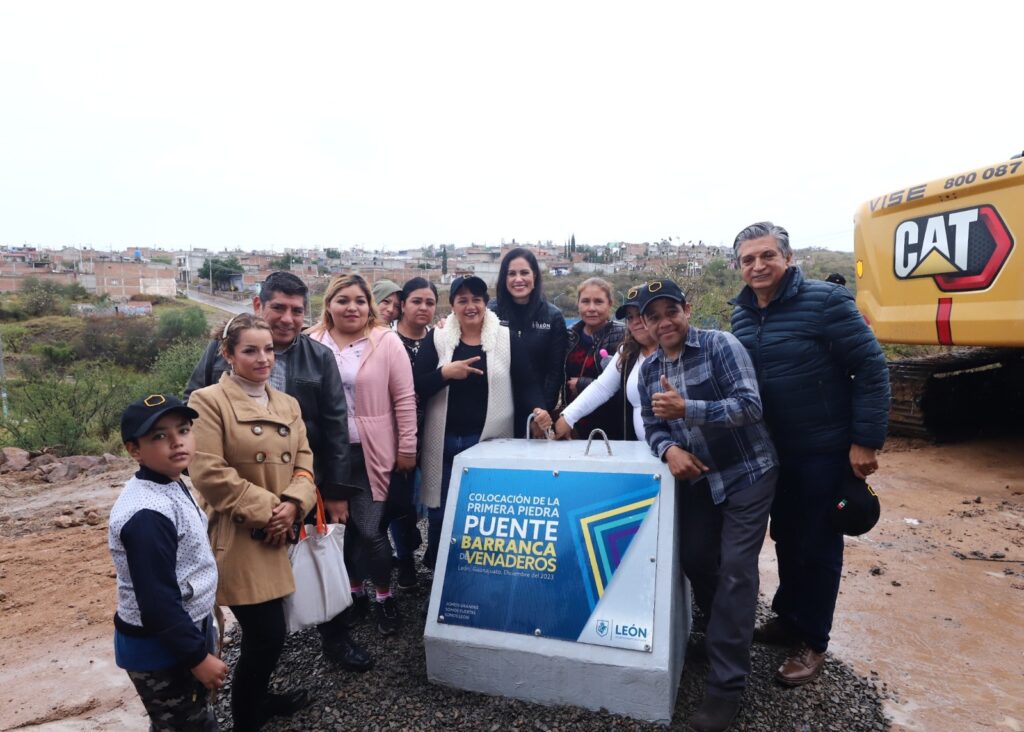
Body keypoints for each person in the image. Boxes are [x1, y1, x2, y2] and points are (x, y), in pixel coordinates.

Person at [184, 271, 370, 672]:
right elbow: (192, 408)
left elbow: (335, 427)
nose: (288, 318)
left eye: (297, 311)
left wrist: (336, 491)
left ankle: (336, 638)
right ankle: (268, 647)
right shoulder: (221, 351)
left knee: (321, 558)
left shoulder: (318, 356)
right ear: (259, 305)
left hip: (304, 482)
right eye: (278, 308)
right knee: (260, 574)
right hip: (247, 487)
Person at [730, 222, 890, 687]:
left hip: (824, 448)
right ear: (739, 266)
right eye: (748, 259)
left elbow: (871, 367)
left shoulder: (826, 302)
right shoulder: (741, 315)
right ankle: (789, 618)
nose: (758, 266)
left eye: (767, 255)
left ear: (788, 257)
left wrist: (865, 440)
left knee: (819, 544)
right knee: (786, 536)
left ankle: (813, 640)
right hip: (772, 451)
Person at [637, 279, 778, 732]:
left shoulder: (721, 346)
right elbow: (651, 425)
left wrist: (688, 410)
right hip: (700, 478)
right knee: (696, 558)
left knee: (736, 569)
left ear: (687, 309)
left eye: (670, 311)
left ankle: (726, 687)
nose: (664, 322)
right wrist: (668, 450)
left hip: (747, 472)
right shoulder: (648, 369)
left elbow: (750, 406)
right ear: (645, 324)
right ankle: (726, 634)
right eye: (653, 317)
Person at [188, 314, 318, 731]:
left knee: (270, 633)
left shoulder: (287, 404)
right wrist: (271, 511)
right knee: (267, 635)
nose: (263, 358)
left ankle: (260, 699)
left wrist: (295, 504)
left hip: (283, 528)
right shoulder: (208, 401)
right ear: (227, 354)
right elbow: (209, 472)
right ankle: (247, 718)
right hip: (241, 534)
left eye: (268, 350)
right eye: (250, 350)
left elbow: (305, 460)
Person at [307, 274, 417, 635]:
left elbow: (404, 398)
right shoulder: (312, 342)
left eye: (359, 300)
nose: (351, 307)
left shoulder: (385, 341)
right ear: (329, 305)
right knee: (341, 530)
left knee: (371, 530)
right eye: (343, 300)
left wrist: (407, 447)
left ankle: (384, 596)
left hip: (372, 452)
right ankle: (354, 593)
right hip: (327, 455)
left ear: (369, 305)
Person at [110, 394, 227, 731]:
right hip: (160, 649)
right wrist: (198, 658)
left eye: (184, 430)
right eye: (160, 436)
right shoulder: (147, 515)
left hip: (179, 634)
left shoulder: (167, 481)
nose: (177, 442)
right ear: (134, 450)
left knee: (175, 722)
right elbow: (157, 602)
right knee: (190, 725)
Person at [414, 275, 548, 570]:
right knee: (439, 514)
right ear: (452, 306)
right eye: (462, 300)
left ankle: (478, 574)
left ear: (486, 303)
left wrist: (539, 409)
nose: (470, 306)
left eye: (476, 299)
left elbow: (526, 383)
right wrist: (445, 373)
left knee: (483, 515)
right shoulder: (437, 338)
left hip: (488, 443)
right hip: (444, 443)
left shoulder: (506, 339)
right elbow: (418, 385)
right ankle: (438, 576)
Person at [549, 284, 657, 441]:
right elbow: (603, 387)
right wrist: (567, 417)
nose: (636, 322)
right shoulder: (628, 351)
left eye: (642, 314)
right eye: (630, 317)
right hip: (636, 447)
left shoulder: (674, 350)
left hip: (651, 443)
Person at [387, 276, 439, 589]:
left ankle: (433, 556)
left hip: (434, 430)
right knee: (400, 501)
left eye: (430, 302)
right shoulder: (385, 340)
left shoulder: (440, 340)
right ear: (403, 304)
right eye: (417, 301)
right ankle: (405, 559)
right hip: (395, 434)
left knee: (434, 498)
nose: (423, 307)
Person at [490, 247, 567, 435]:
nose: (518, 279)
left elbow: (555, 373)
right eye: (511, 274)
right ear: (504, 278)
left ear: (535, 276)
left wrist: (541, 414)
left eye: (524, 272)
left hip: (535, 411)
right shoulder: (491, 312)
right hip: (495, 410)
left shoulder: (553, 317)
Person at [561, 277, 626, 439]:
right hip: (573, 423)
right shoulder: (569, 336)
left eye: (598, 302)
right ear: (578, 304)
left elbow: (626, 387)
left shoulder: (624, 337)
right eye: (585, 301)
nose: (591, 308)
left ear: (610, 304)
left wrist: (582, 384)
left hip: (611, 426)